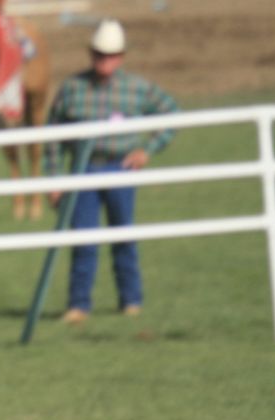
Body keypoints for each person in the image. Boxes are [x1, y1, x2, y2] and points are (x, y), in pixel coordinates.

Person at [46, 19, 177, 324]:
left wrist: (148, 150)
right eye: (99, 54)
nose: (104, 60)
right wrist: (54, 180)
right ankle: (79, 305)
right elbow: (52, 136)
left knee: (124, 235)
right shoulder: (72, 89)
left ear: (121, 57)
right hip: (83, 169)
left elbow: (171, 112)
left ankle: (131, 301)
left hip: (120, 167)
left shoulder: (137, 88)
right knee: (83, 239)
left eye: (111, 55)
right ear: (91, 54)